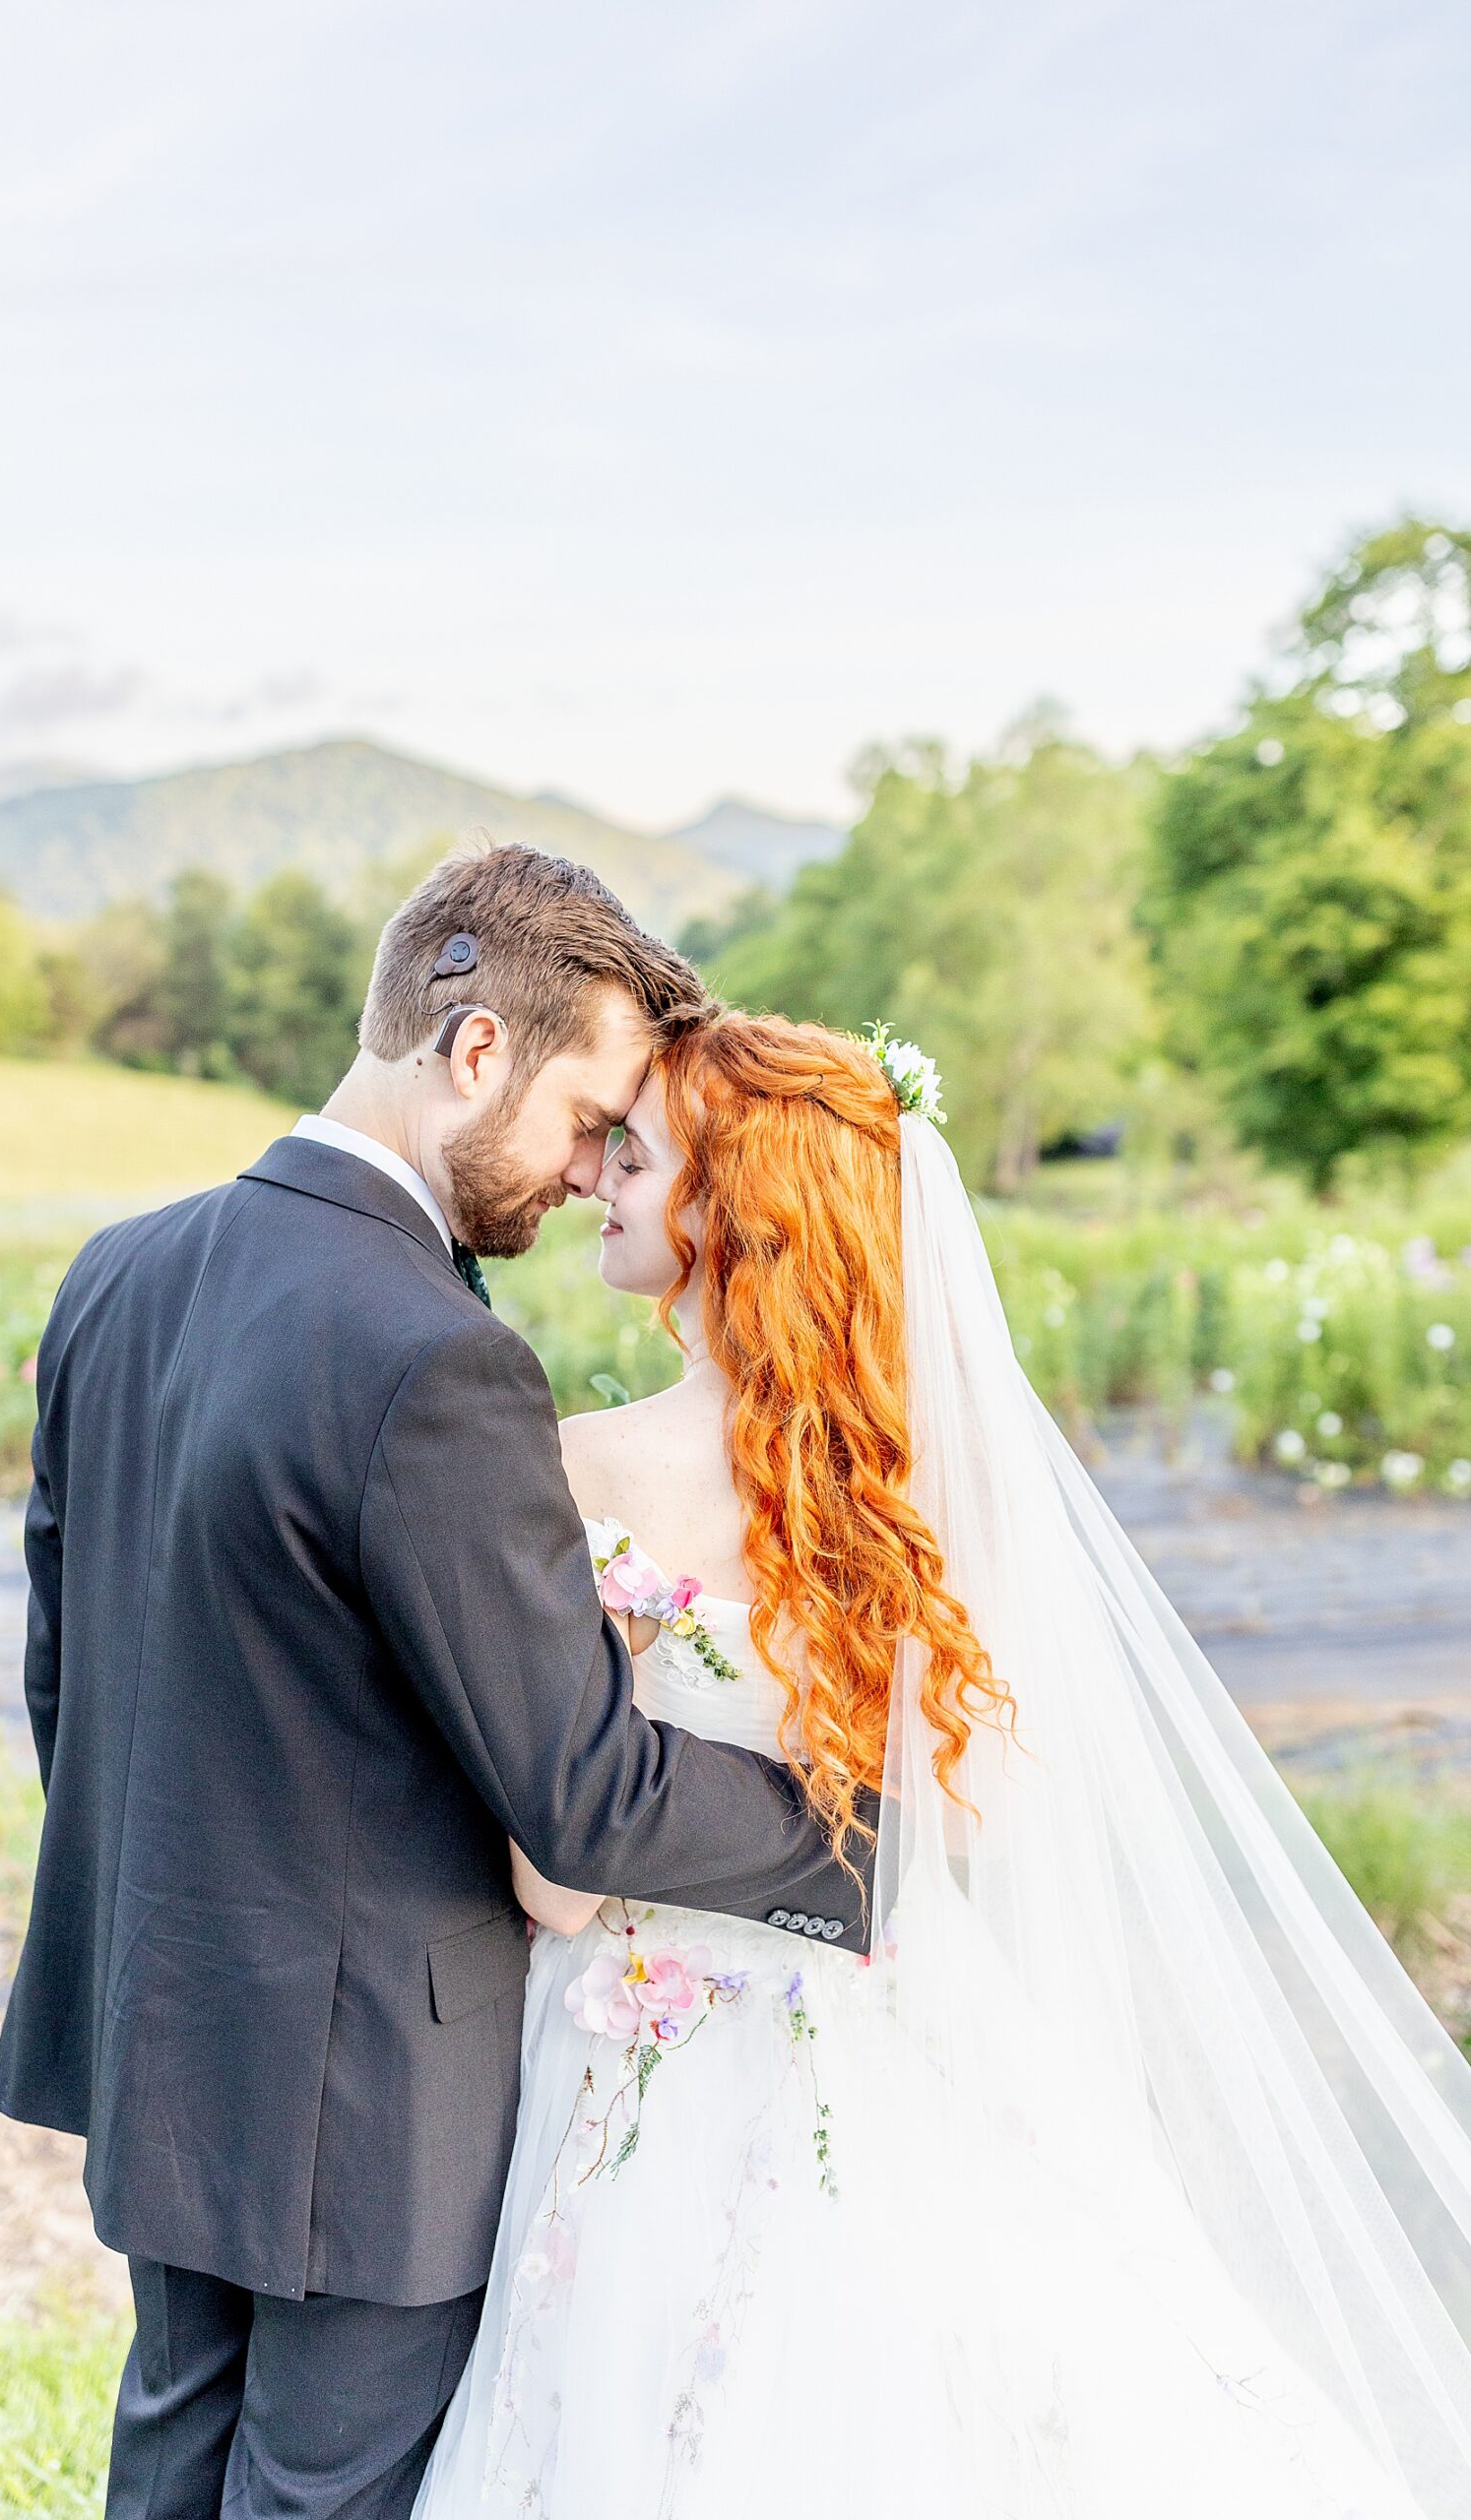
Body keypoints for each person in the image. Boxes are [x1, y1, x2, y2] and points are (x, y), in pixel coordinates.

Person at [416, 1011, 1471, 2520]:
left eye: (633, 1159)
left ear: (731, 1212)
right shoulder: (917, 1488)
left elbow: (559, 1881)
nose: (597, 1182)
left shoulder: (584, 1469)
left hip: (642, 2041)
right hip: (896, 2020)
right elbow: (978, 1814)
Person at [0, 849, 877, 2520]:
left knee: (169, 2463)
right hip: (371, 2090)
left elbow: (69, 1679)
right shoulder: (438, 1354)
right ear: (476, 1054)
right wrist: (870, 1846)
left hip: (162, 2025)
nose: (586, 1172)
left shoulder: (117, 1273)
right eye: (586, 1119)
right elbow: (584, 1792)